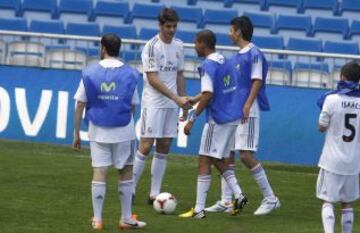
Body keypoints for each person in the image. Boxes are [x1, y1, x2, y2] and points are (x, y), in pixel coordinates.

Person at [205, 16, 280, 215]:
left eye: (231, 30)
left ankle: (271, 198)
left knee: (245, 155)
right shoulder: (237, 56)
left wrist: (247, 105)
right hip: (233, 112)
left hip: (248, 110)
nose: (229, 33)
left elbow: (257, 81)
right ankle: (226, 201)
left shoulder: (253, 53)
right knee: (227, 154)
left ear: (238, 31)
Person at [73, 33, 146, 230]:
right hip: (124, 131)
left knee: (99, 172)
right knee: (126, 172)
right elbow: (133, 105)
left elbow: (80, 104)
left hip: (97, 130)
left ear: (103, 48)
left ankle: (97, 219)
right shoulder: (131, 74)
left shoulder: (89, 72)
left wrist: (77, 132)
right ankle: (126, 218)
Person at [178, 30, 248, 219]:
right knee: (218, 159)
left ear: (203, 44)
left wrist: (192, 119)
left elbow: (209, 94)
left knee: (204, 159)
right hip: (233, 116)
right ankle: (239, 195)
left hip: (218, 118)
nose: (194, 46)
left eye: (196, 42)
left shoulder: (207, 65)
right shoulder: (225, 61)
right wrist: (195, 98)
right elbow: (213, 89)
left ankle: (199, 210)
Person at [132, 8, 190, 204]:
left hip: (172, 104)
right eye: (168, 26)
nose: (172, 30)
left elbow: (180, 74)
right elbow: (152, 78)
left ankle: (154, 194)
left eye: (174, 26)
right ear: (160, 25)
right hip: (153, 103)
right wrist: (176, 97)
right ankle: (129, 188)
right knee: (146, 145)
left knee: (164, 146)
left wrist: (183, 102)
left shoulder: (180, 46)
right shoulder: (151, 47)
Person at [316, 61, 360, 233]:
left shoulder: (331, 98)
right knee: (347, 203)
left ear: (342, 77)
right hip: (353, 162)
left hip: (332, 161)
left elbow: (321, 127)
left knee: (327, 201)